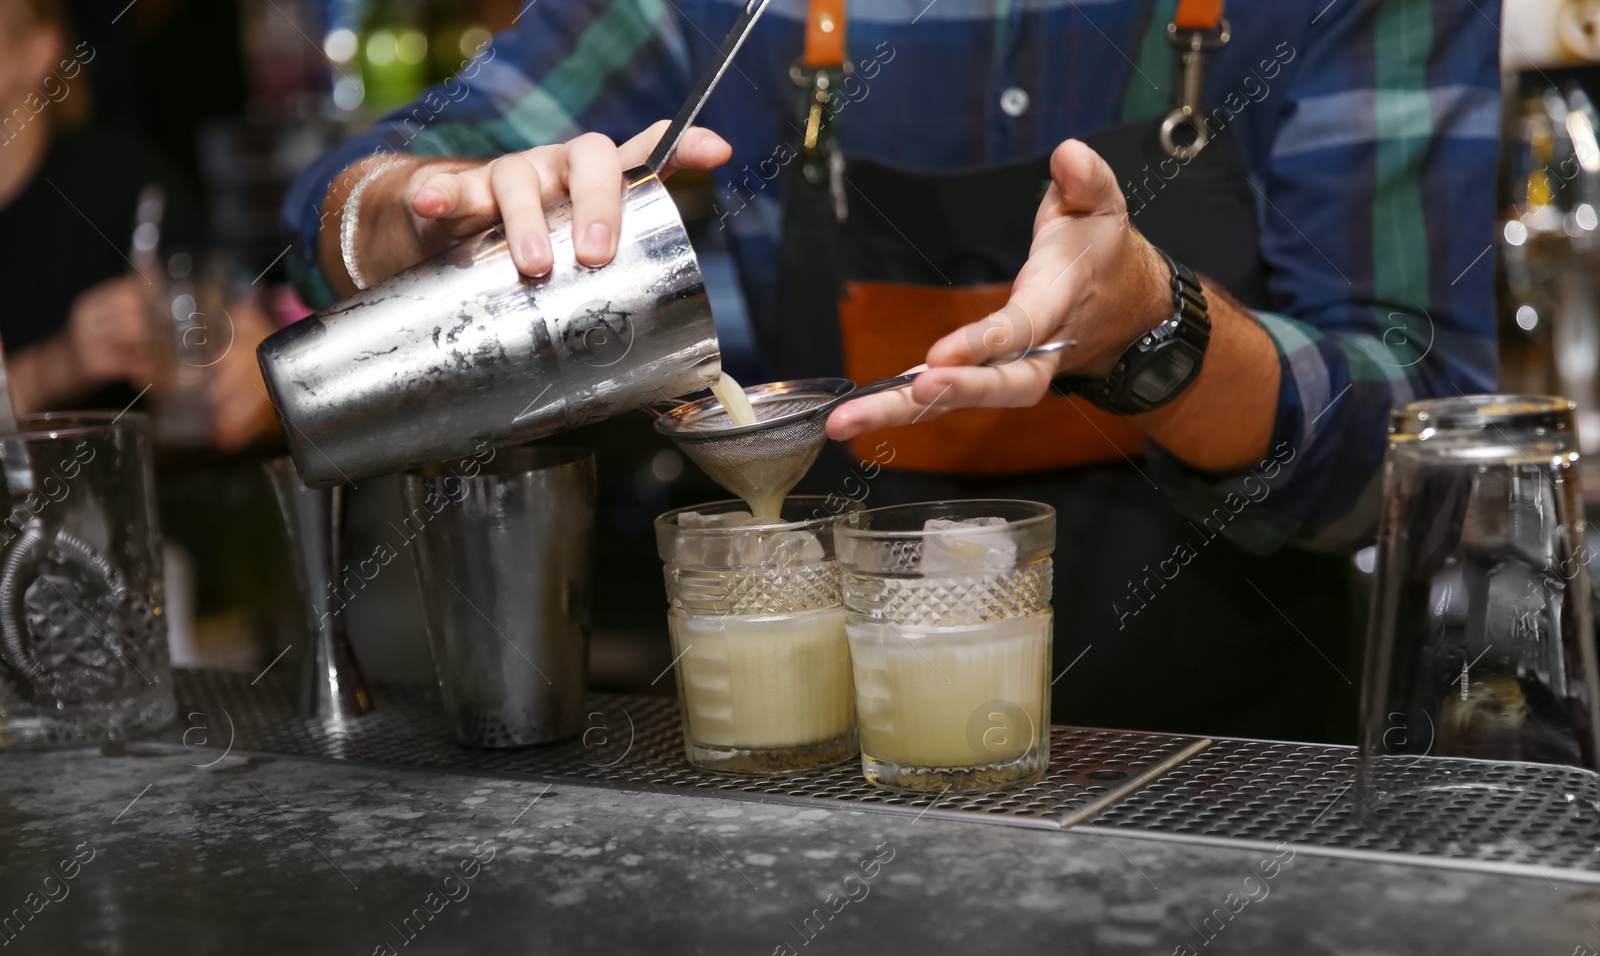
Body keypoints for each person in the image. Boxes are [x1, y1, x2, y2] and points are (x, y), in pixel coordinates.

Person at [282, 0, 1501, 741]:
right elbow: (366, 190)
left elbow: (1428, 455)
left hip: (1230, 790)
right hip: (810, 786)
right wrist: (408, 218)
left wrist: (1154, 327)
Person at [0, 0, 275, 449]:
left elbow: (236, 334)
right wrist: (60, 365)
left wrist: (246, 371)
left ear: (38, 52)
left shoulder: (128, 184)